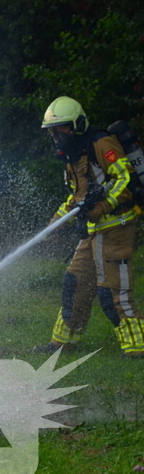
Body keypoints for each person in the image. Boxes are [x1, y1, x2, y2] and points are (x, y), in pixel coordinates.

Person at [36, 96, 144, 357]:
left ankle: (137, 348)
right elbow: (77, 200)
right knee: (75, 284)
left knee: (113, 292)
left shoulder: (100, 143)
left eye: (60, 129)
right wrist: (52, 227)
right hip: (95, 230)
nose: (56, 135)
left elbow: (125, 179)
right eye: (52, 131)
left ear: (76, 125)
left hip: (117, 226)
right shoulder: (73, 155)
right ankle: (64, 342)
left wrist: (102, 206)